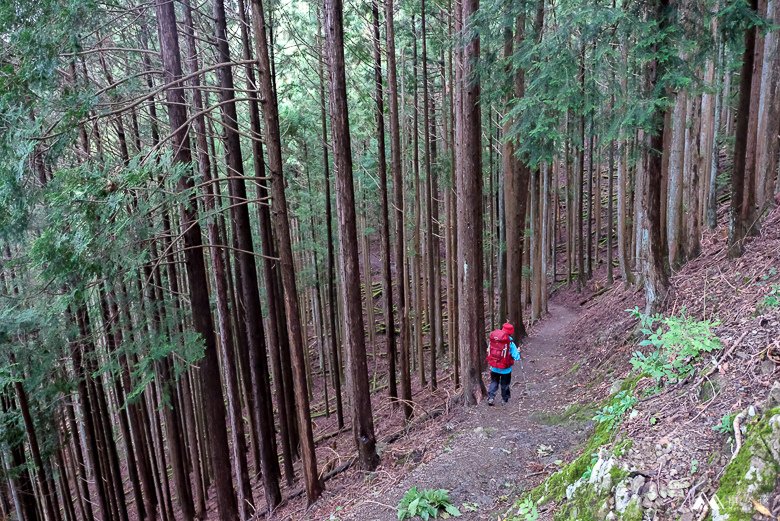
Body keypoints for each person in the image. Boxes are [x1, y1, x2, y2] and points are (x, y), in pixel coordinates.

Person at [485, 322, 521, 406]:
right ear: (511, 332)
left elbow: (488, 350)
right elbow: (517, 357)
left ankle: (491, 397)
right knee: (504, 384)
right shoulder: (510, 342)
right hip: (506, 369)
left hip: (494, 367)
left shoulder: (494, 340)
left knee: (494, 382)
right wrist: (518, 352)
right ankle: (504, 399)